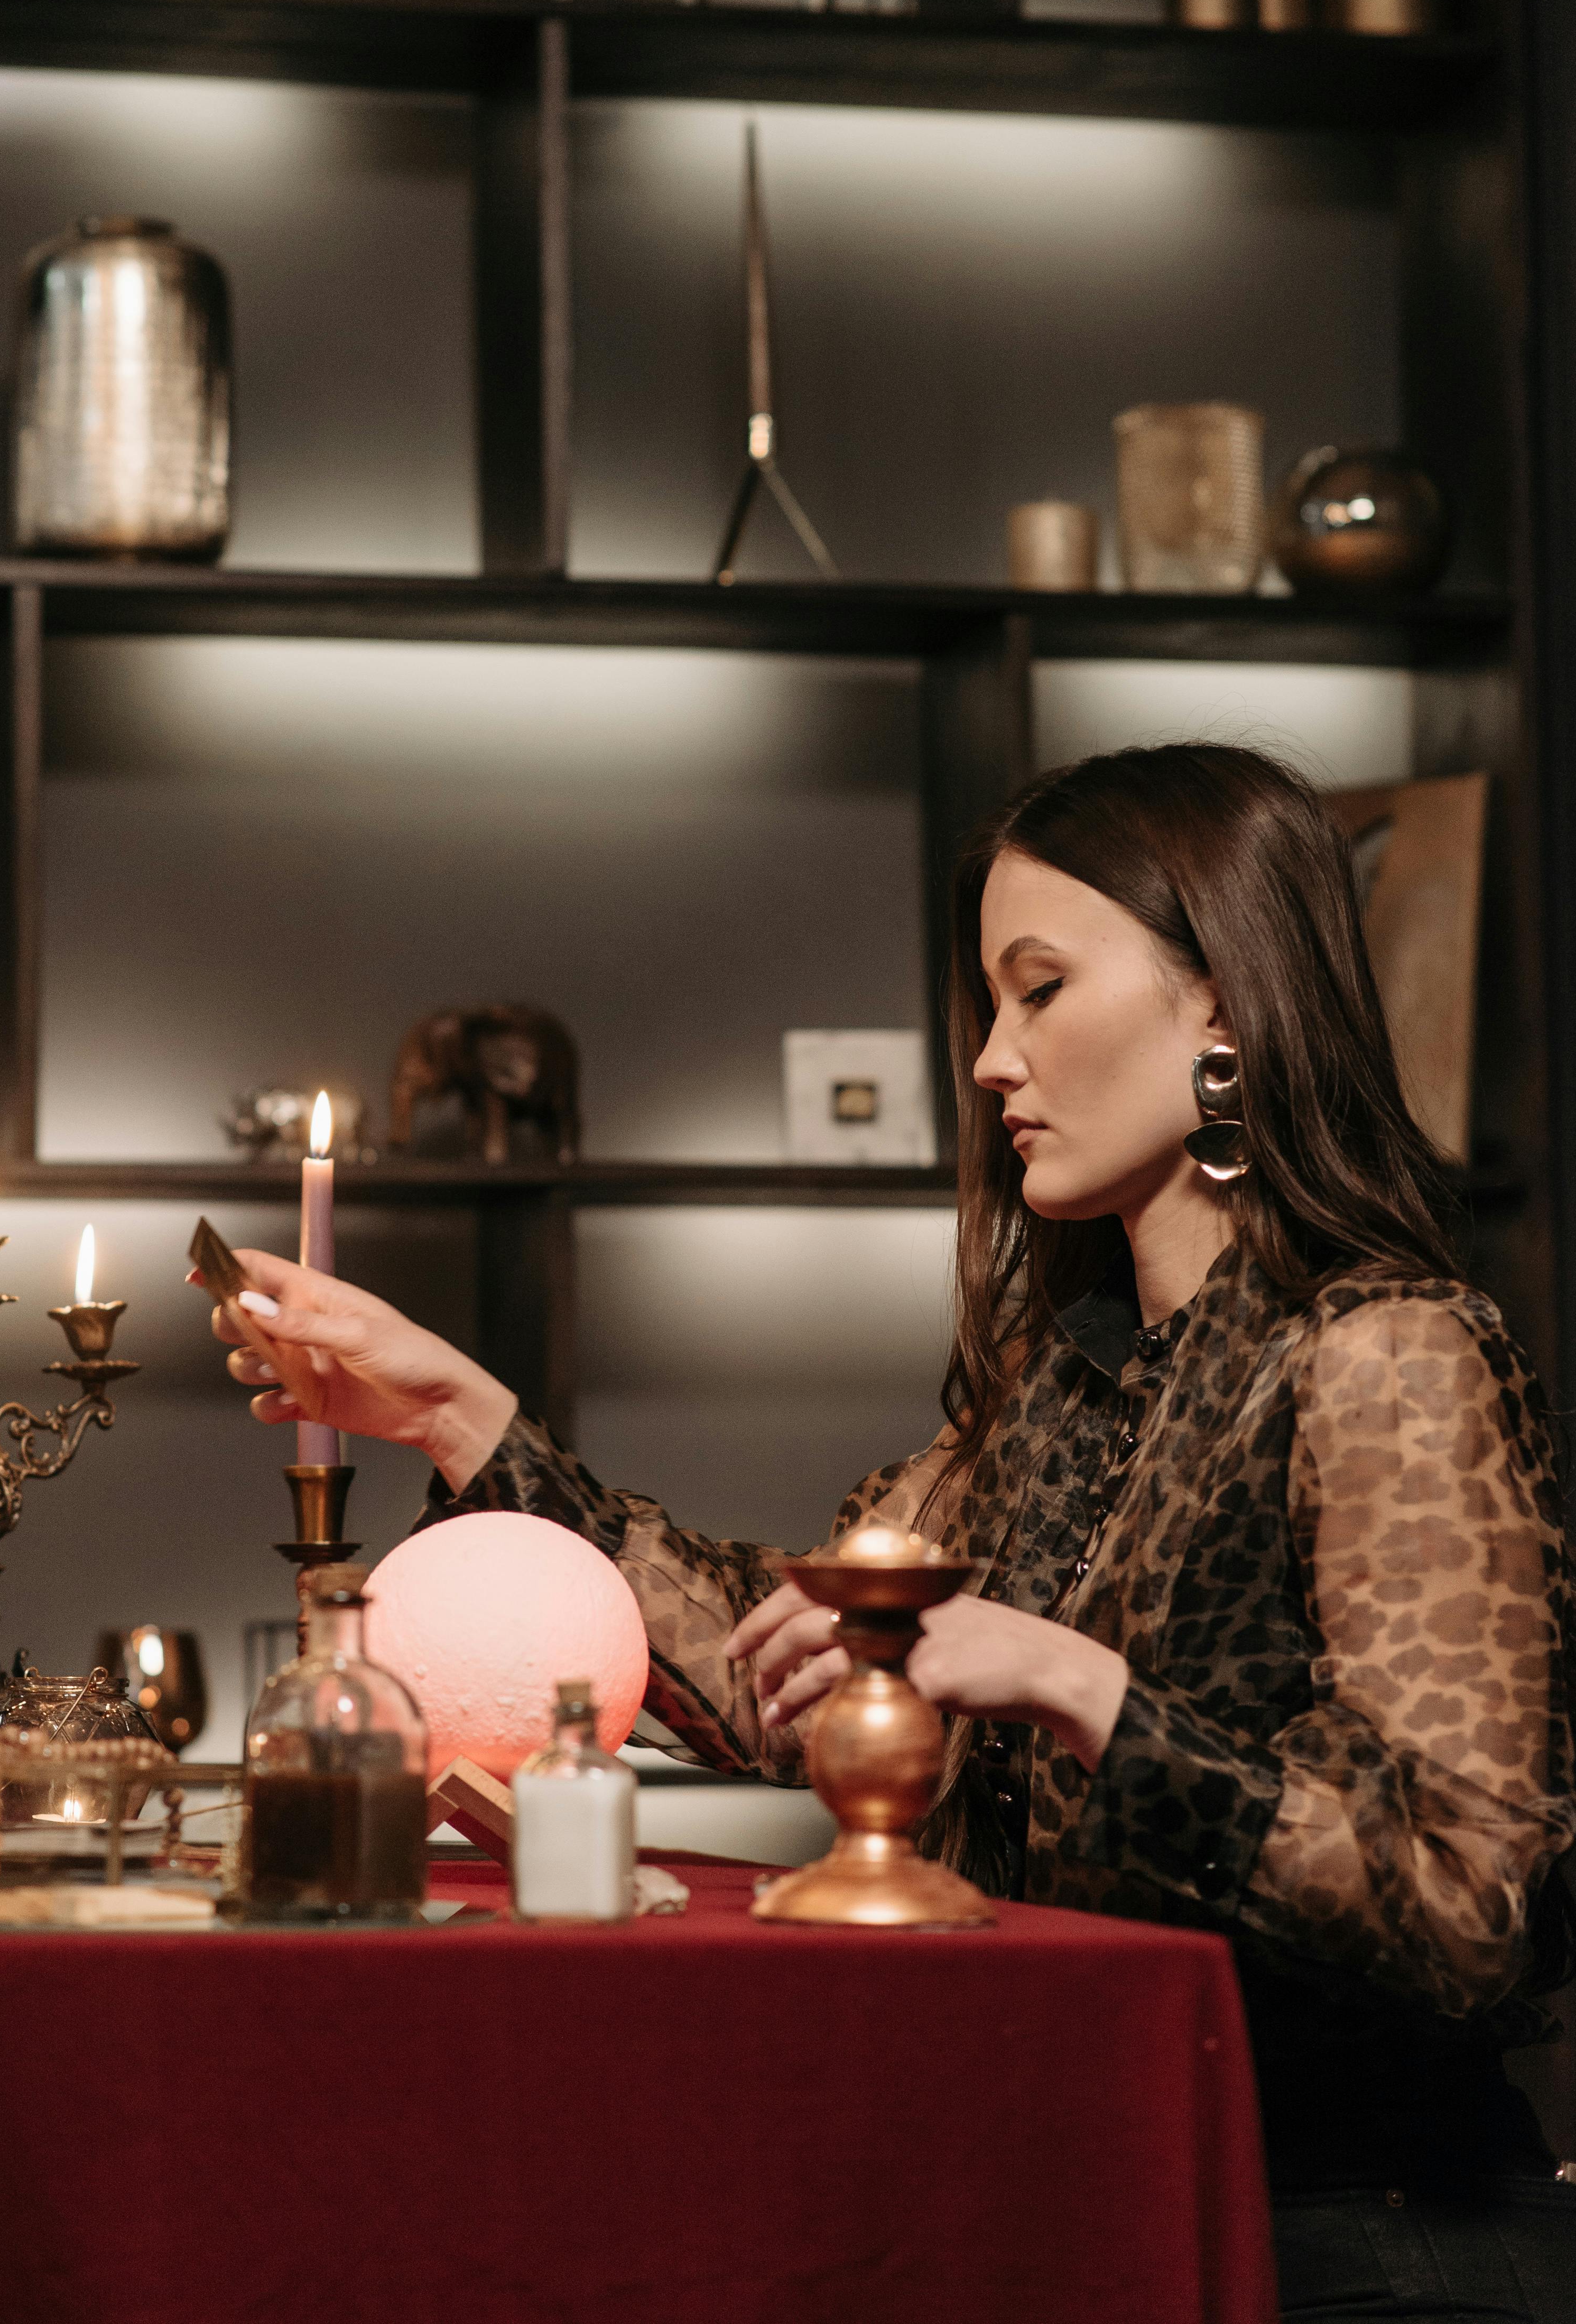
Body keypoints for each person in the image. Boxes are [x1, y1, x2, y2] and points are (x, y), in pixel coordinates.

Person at [204, 743, 1576, 2322]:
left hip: (1355, 2244)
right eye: (985, 1007)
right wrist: (455, 1413)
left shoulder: (1386, 1352)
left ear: (1224, 1005)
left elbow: (1468, 1901)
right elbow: (769, 1669)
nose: (991, 1060)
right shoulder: (1051, 1393)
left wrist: (1080, 1691)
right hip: (1095, 2210)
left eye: (1039, 989)